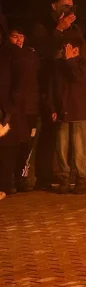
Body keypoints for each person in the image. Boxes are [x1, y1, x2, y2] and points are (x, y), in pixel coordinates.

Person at [30, 0, 84, 190]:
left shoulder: (74, 29)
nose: (68, 10)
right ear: (54, 6)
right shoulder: (42, 26)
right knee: (49, 128)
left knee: (62, 130)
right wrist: (59, 30)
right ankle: (43, 174)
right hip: (46, 84)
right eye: (64, 6)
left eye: (71, 7)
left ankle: (62, 170)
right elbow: (45, 50)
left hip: (66, 83)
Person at [47, 39, 86, 194]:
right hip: (62, 111)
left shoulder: (85, 63)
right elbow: (52, 87)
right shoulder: (58, 65)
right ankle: (65, 177)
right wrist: (53, 108)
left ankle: (80, 178)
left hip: (79, 111)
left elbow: (78, 78)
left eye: (70, 49)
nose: (67, 51)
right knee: (62, 147)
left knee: (80, 148)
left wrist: (70, 61)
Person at [7, 24, 40, 192]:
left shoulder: (31, 55)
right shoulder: (6, 56)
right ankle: (9, 179)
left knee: (27, 144)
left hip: (30, 108)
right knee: (11, 144)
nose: (18, 40)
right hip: (13, 109)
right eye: (14, 36)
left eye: (21, 36)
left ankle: (23, 176)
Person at [0, 25, 26, 196]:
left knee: (7, 148)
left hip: (6, 109)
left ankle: (4, 184)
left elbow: (19, 82)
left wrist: (9, 107)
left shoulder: (12, 53)